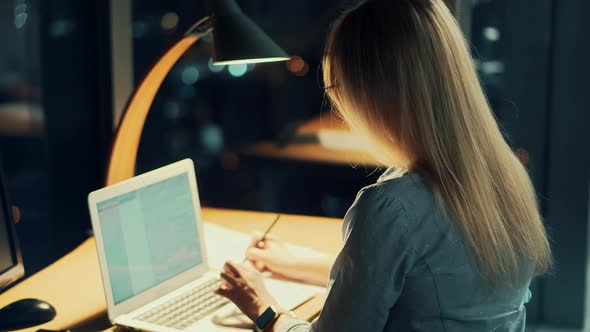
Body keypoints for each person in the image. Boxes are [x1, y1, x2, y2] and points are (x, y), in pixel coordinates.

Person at [214, 0, 552, 331]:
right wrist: (297, 264)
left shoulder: (392, 207)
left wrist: (263, 308)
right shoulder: (505, 173)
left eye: (337, 88)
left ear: (371, 94)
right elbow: (421, 278)